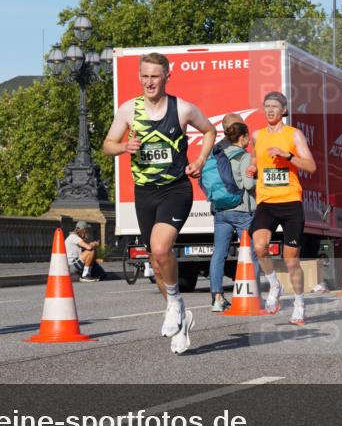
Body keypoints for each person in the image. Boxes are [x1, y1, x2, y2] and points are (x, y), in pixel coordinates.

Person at [102, 52, 216, 354]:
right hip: (145, 192)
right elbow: (107, 146)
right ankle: (180, 319)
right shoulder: (128, 110)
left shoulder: (182, 109)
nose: (149, 82)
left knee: (162, 248)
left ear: (167, 76)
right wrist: (125, 146)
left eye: (155, 76)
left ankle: (176, 303)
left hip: (176, 189)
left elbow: (209, 131)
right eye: (144, 76)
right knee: (155, 260)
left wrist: (201, 160)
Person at [246, 91, 317, 326]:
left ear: (284, 110)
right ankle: (274, 284)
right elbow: (255, 160)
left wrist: (287, 156)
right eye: (266, 106)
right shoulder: (256, 135)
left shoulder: (294, 135)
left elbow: (311, 166)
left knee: (291, 260)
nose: (270, 110)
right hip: (266, 201)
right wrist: (253, 168)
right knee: (259, 246)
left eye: (275, 106)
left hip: (290, 202)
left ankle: (298, 303)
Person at [208, 121, 259, 312]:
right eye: (247, 137)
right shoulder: (244, 156)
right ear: (243, 137)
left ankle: (217, 297)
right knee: (251, 254)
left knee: (219, 253)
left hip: (220, 210)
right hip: (242, 211)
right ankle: (252, 294)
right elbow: (247, 185)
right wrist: (257, 178)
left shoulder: (218, 154)